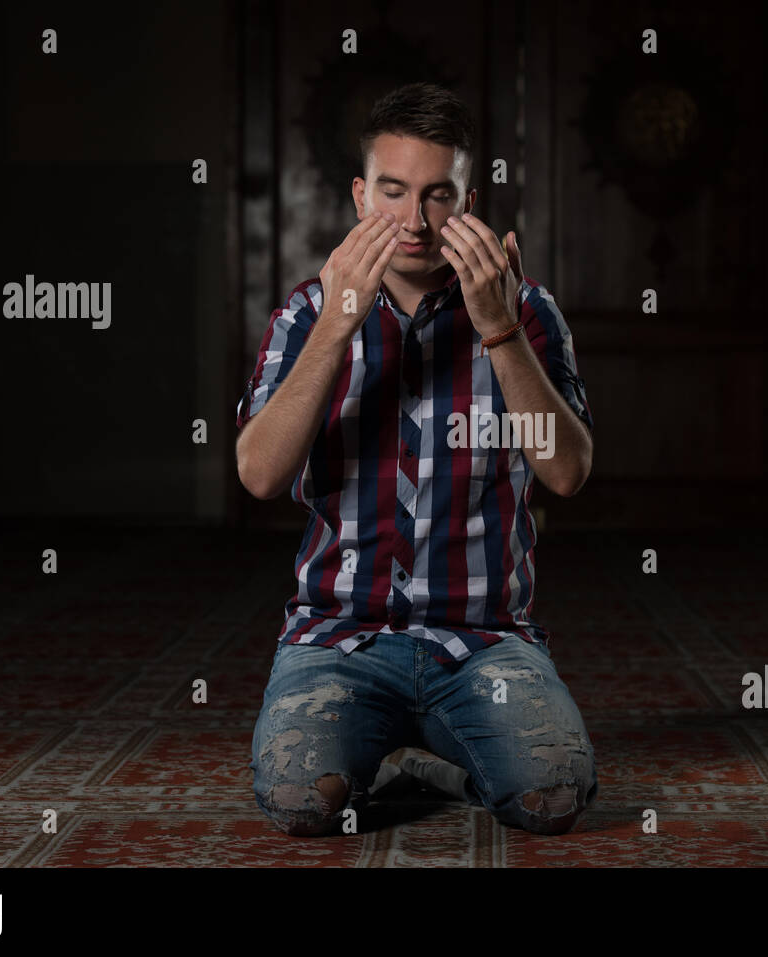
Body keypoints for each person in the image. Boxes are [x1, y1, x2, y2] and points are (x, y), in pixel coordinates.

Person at [237, 82, 598, 836]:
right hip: (338, 637)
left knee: (554, 795)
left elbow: (567, 472)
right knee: (300, 801)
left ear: (468, 200)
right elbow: (259, 473)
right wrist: (338, 328)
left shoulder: (526, 308)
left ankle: (432, 759)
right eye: (393, 192)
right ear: (360, 196)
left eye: (438, 195)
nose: (413, 220)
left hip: (484, 641)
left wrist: (497, 328)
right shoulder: (304, 314)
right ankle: (388, 748)